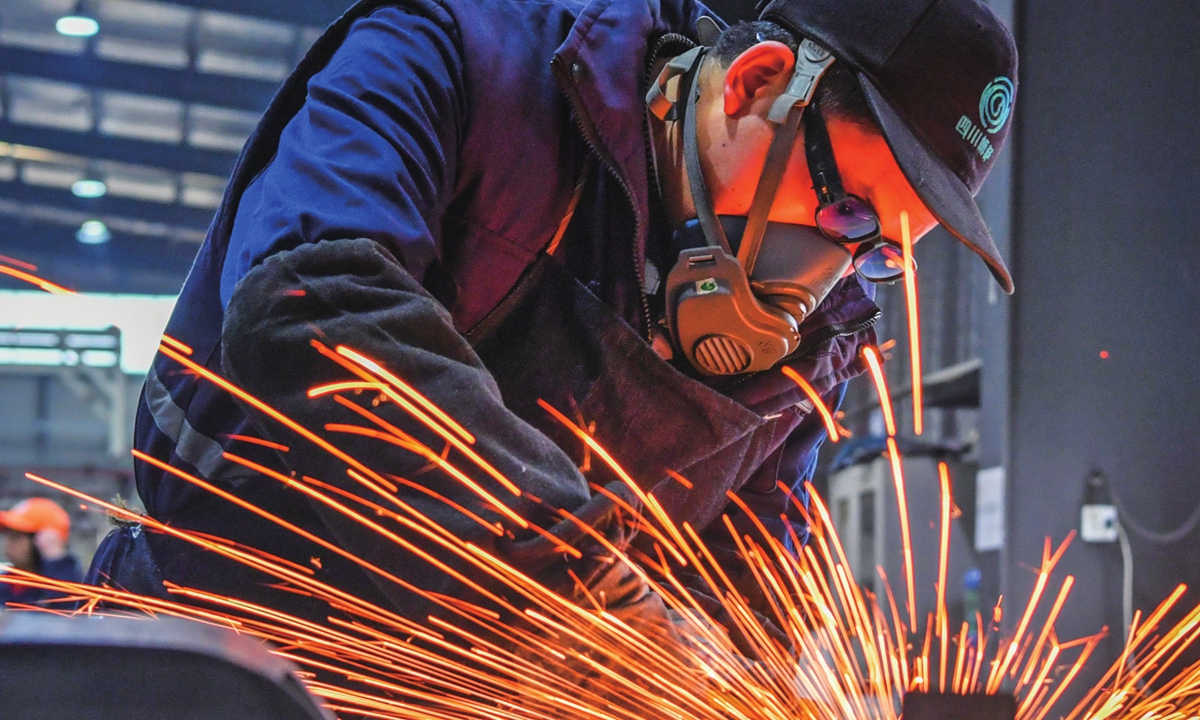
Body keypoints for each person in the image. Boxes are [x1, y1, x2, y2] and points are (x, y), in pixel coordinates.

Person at [87, 0, 1017, 649]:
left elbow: (750, 579)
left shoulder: (820, 345)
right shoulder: (455, 57)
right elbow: (317, 309)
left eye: (884, 249)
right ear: (756, 83)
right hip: (234, 646)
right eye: (848, 211)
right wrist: (586, 582)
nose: (833, 276)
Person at [1, 497, 83, 608]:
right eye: (8, 535)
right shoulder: (8, 583)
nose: (8, 543)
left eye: (16, 536)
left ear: (41, 540)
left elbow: (64, 610)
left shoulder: (69, 583)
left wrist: (54, 559)